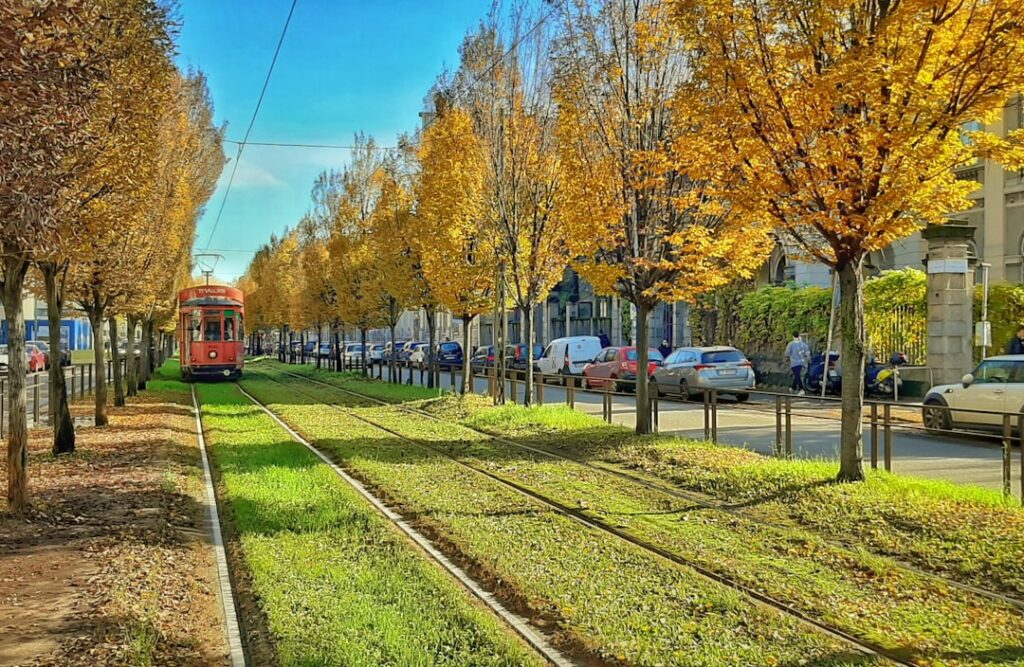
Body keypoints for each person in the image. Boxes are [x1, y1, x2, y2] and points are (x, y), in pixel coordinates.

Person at [785, 331, 810, 395]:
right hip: (802, 362)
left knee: (797, 375)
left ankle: (802, 389)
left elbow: (787, 353)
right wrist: (808, 360)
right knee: (797, 375)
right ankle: (793, 388)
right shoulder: (803, 344)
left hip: (794, 362)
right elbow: (807, 353)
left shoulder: (790, 344)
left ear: (793, 336)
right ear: (799, 336)